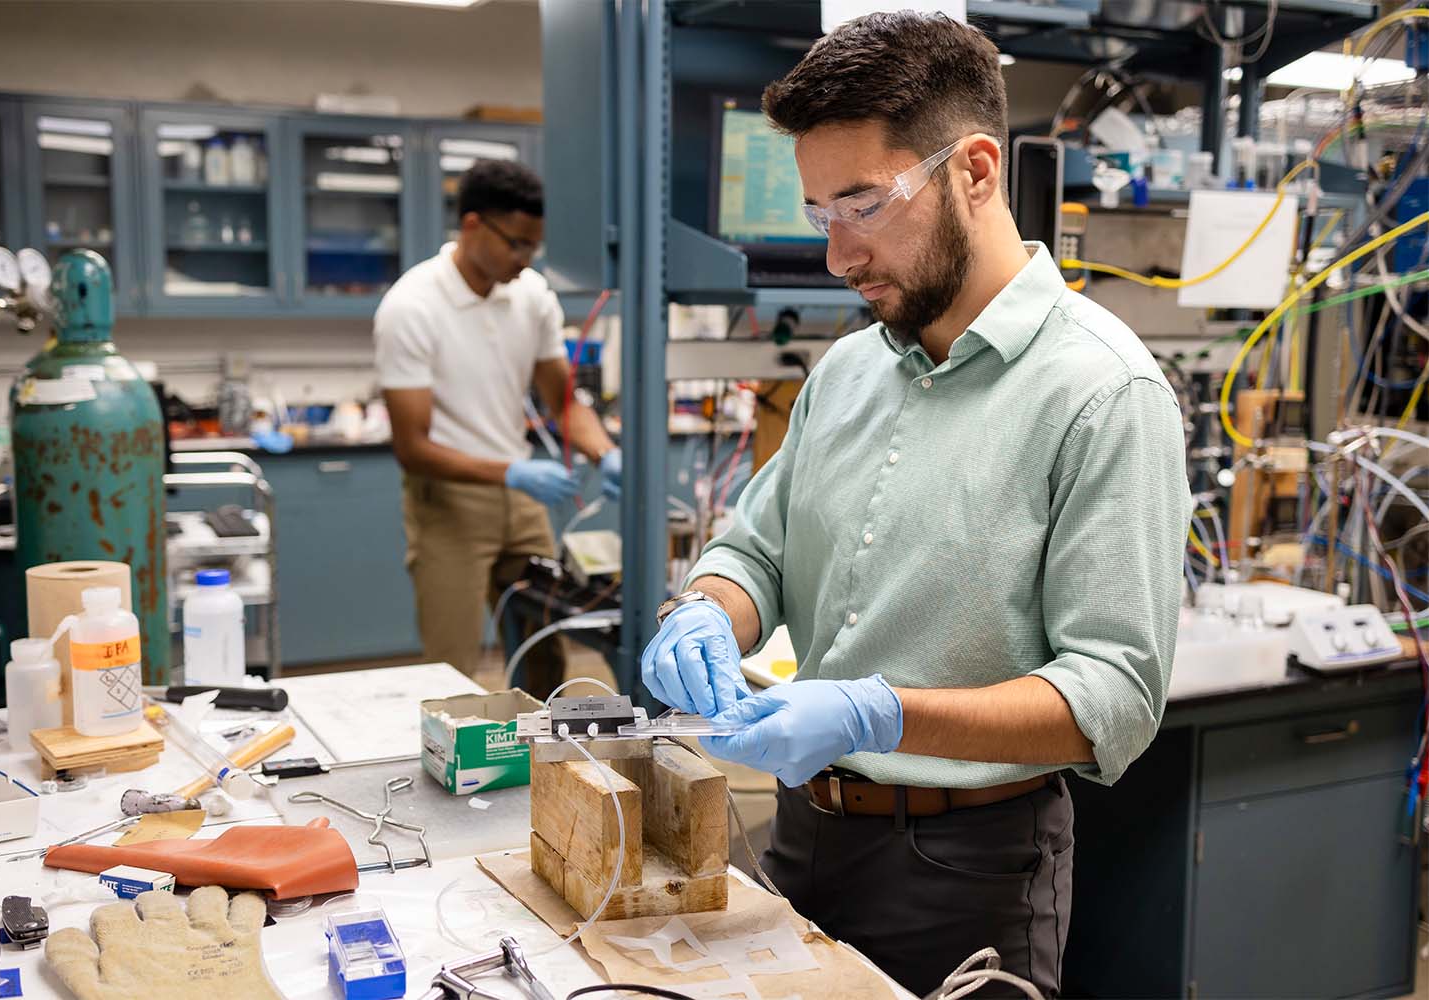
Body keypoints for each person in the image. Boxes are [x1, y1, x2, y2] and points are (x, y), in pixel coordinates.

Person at [641, 13, 1188, 997]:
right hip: (802, 835)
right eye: (819, 213)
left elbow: (1114, 695)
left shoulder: (1103, 393)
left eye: (863, 203)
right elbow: (755, 550)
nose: (838, 255)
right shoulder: (847, 370)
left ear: (976, 170)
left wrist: (877, 711)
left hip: (970, 871)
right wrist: (704, 614)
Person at [374, 159, 620, 700]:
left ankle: (547, 771)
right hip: (450, 501)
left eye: (535, 246)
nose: (527, 259)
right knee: (451, 666)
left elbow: (562, 399)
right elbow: (412, 448)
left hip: (521, 502)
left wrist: (605, 451)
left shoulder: (530, 295)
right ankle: (455, 779)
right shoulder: (411, 307)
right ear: (472, 226)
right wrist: (511, 472)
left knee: (545, 646)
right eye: (516, 244)